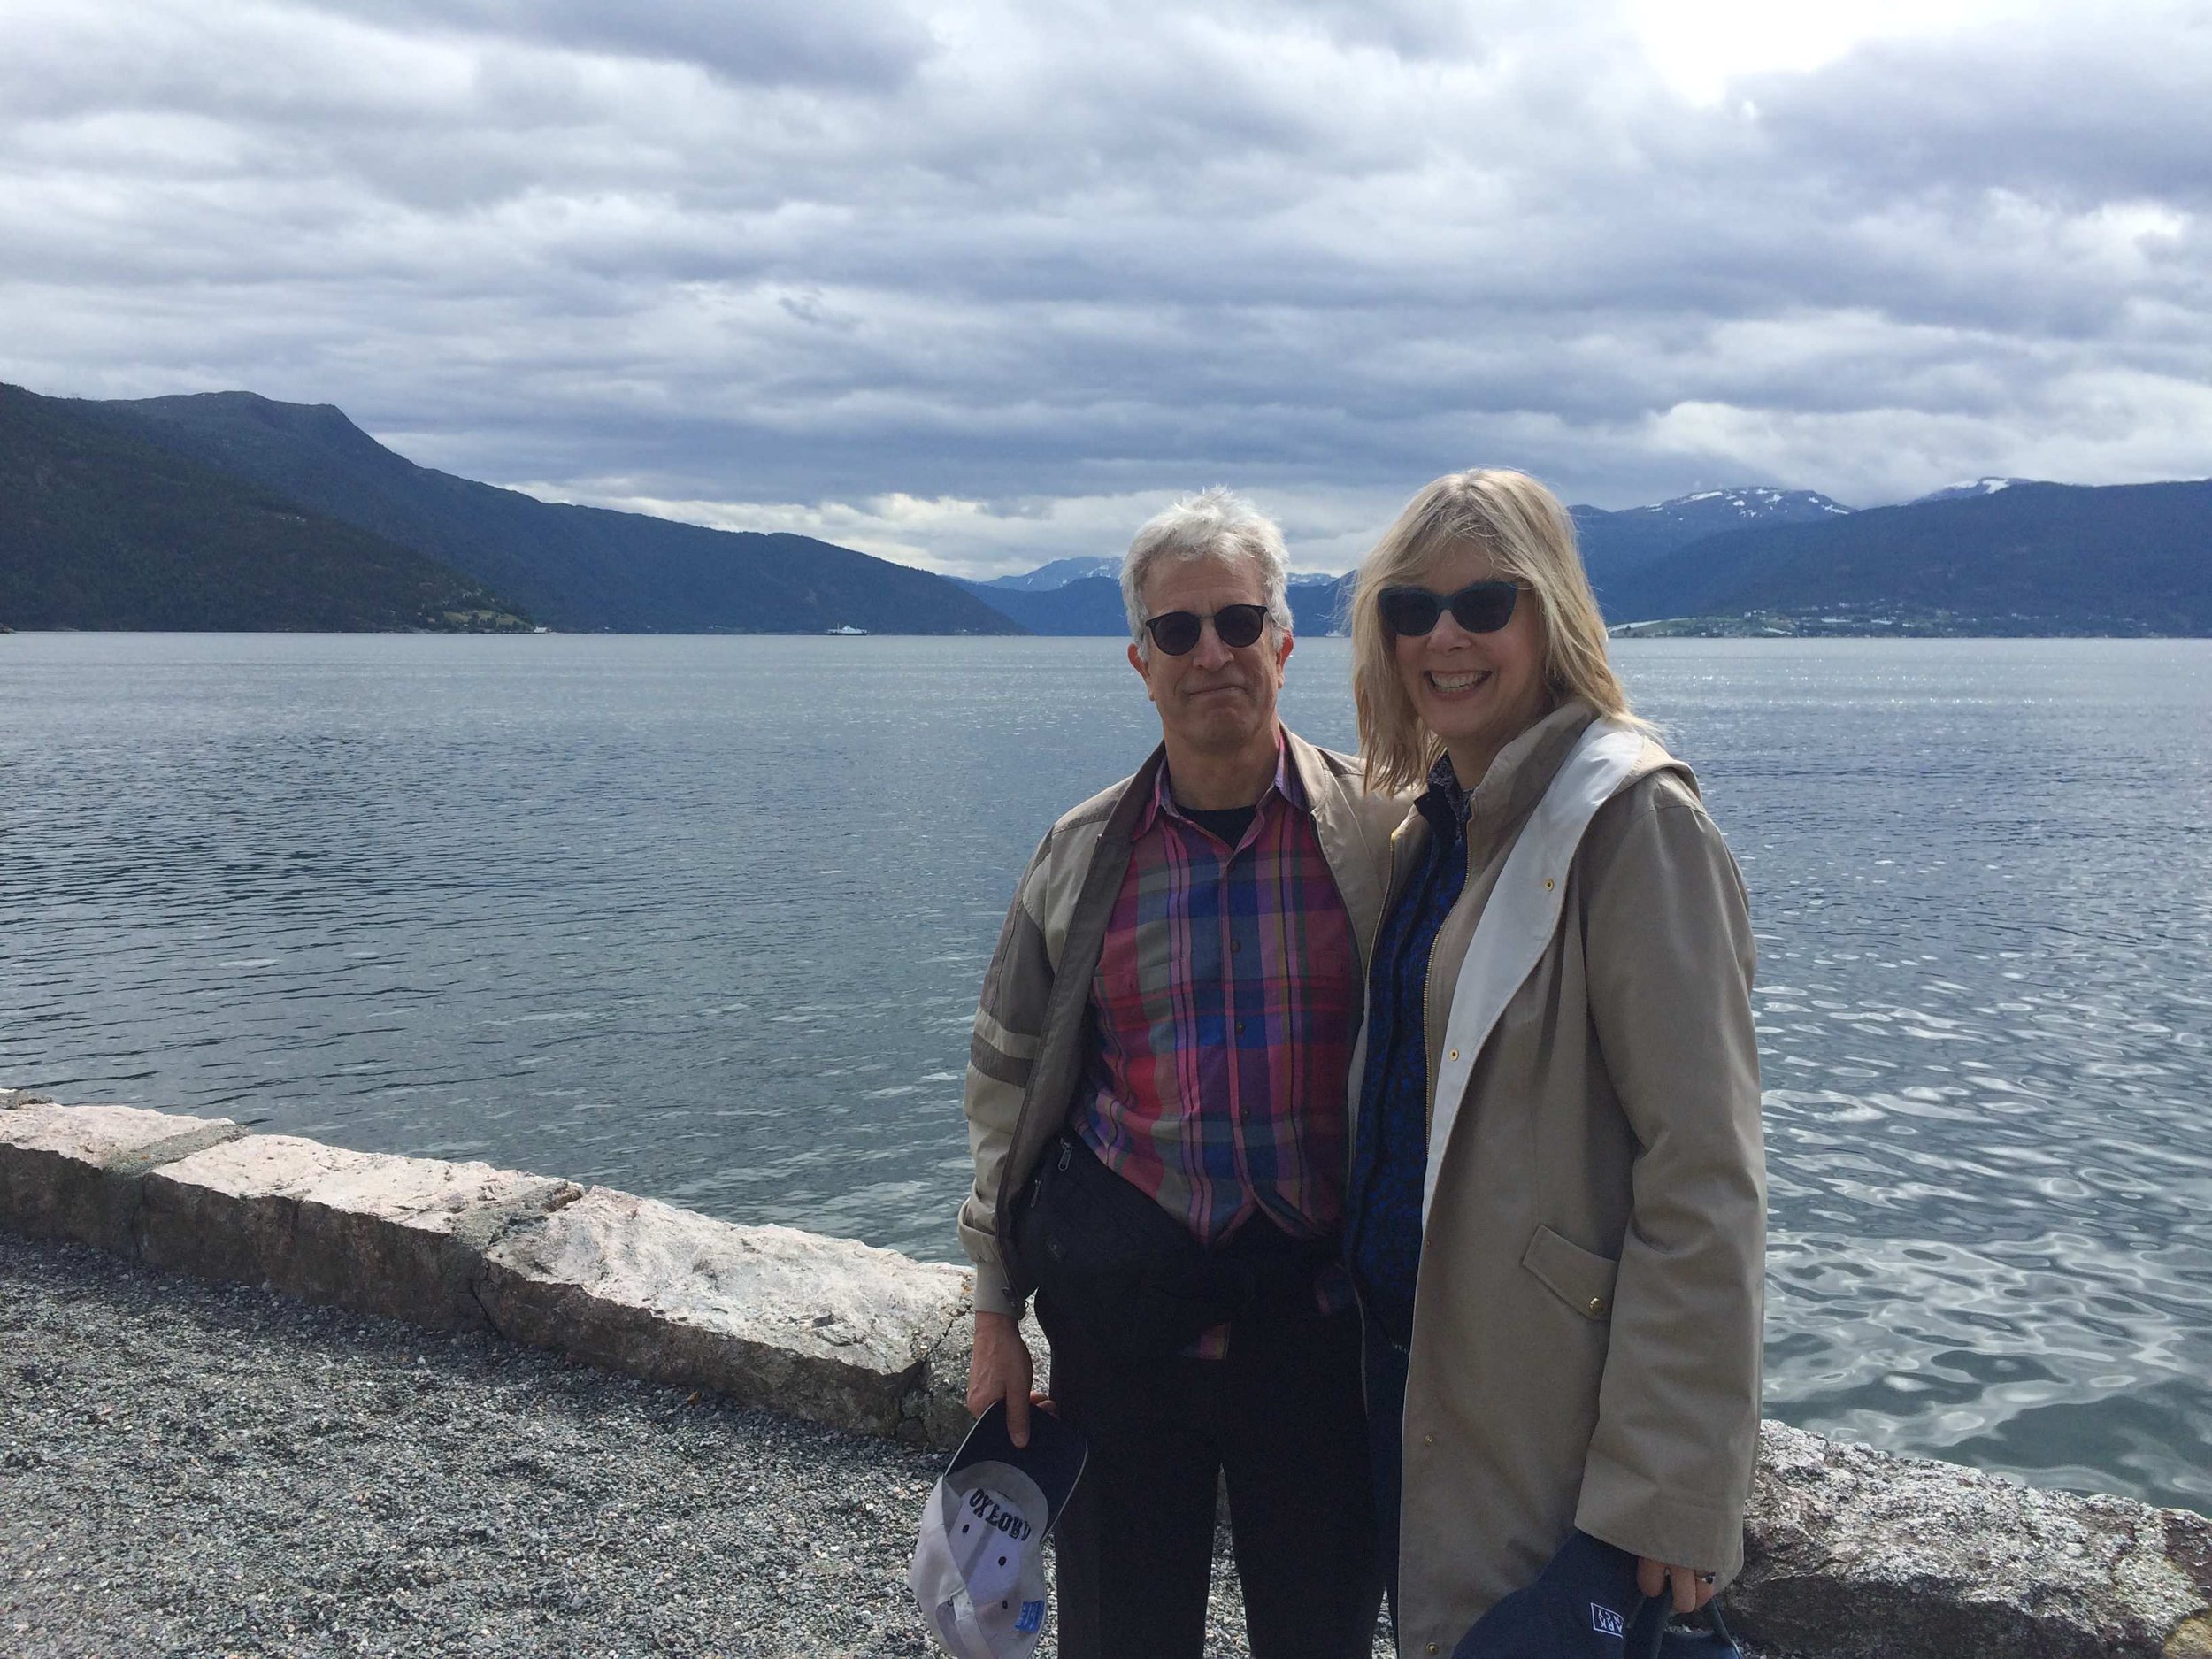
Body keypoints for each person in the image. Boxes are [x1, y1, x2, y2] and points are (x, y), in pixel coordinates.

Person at [956, 487, 1406, 1659]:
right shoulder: (1078, 858)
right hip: (1126, 1337)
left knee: (1320, 1636)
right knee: (1121, 1638)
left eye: (1239, 622)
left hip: (1315, 1335)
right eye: (1178, 630)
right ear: (1141, 662)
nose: (1212, 652)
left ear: (1284, 644)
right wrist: (996, 1311)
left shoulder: (1381, 836)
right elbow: (1005, 1090)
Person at [1339, 469, 1765, 1658]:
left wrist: (1665, 1489)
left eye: (1485, 603)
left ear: (1554, 615)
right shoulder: (1441, 826)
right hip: (1418, 1377)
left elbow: (1704, 1172)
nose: (1445, 637)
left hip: (1544, 1407)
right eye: (1411, 609)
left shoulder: (1633, 822)